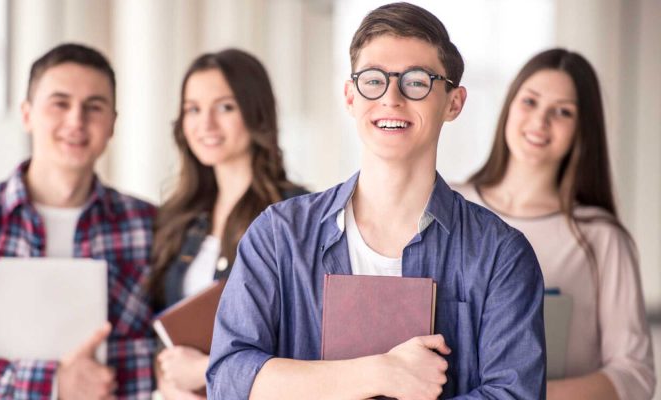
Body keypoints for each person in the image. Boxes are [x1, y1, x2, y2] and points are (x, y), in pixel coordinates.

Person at [206, 3, 546, 399]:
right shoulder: (278, 235)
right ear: (350, 96)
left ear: (454, 103)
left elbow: (514, 394)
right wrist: (379, 374)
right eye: (373, 80)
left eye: (417, 81)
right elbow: (228, 381)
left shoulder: (501, 254)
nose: (391, 98)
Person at [0, 43, 156, 399]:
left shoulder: (149, 226)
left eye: (94, 106)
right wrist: (53, 383)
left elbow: (172, 353)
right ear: (26, 114)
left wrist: (107, 374)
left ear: (112, 123)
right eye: (60, 103)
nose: (76, 121)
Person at [453, 48, 655, 400]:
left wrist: (524, 393)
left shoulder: (600, 237)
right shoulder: (448, 205)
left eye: (562, 112)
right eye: (530, 102)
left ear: (582, 129)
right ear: (509, 106)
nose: (540, 121)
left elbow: (635, 374)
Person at [147, 48, 306, 400]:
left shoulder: (295, 215)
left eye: (225, 107)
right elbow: (155, 324)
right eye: (193, 109)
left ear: (255, 113)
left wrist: (204, 371)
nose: (205, 124)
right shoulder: (180, 216)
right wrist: (167, 380)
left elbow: (307, 342)